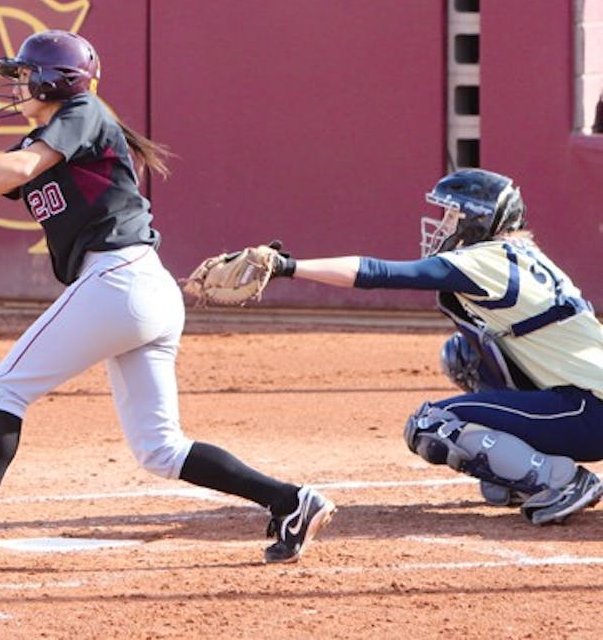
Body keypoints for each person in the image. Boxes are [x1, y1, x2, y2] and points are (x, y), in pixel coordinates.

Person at [0, 29, 335, 569]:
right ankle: (290, 500)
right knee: (161, 449)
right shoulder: (49, 138)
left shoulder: (82, 112)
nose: (18, 84)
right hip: (141, 288)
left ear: (53, 81)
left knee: (3, 387)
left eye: (25, 74)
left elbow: (15, 171)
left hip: (118, 280)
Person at [253, 168, 603, 524]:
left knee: (430, 423)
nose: (445, 223)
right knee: (463, 356)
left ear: (478, 220)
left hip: (590, 410)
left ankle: (561, 481)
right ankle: (525, 473)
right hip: (586, 399)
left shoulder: (485, 260)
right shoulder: (527, 255)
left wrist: (287, 266)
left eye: (454, 215)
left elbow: (378, 273)